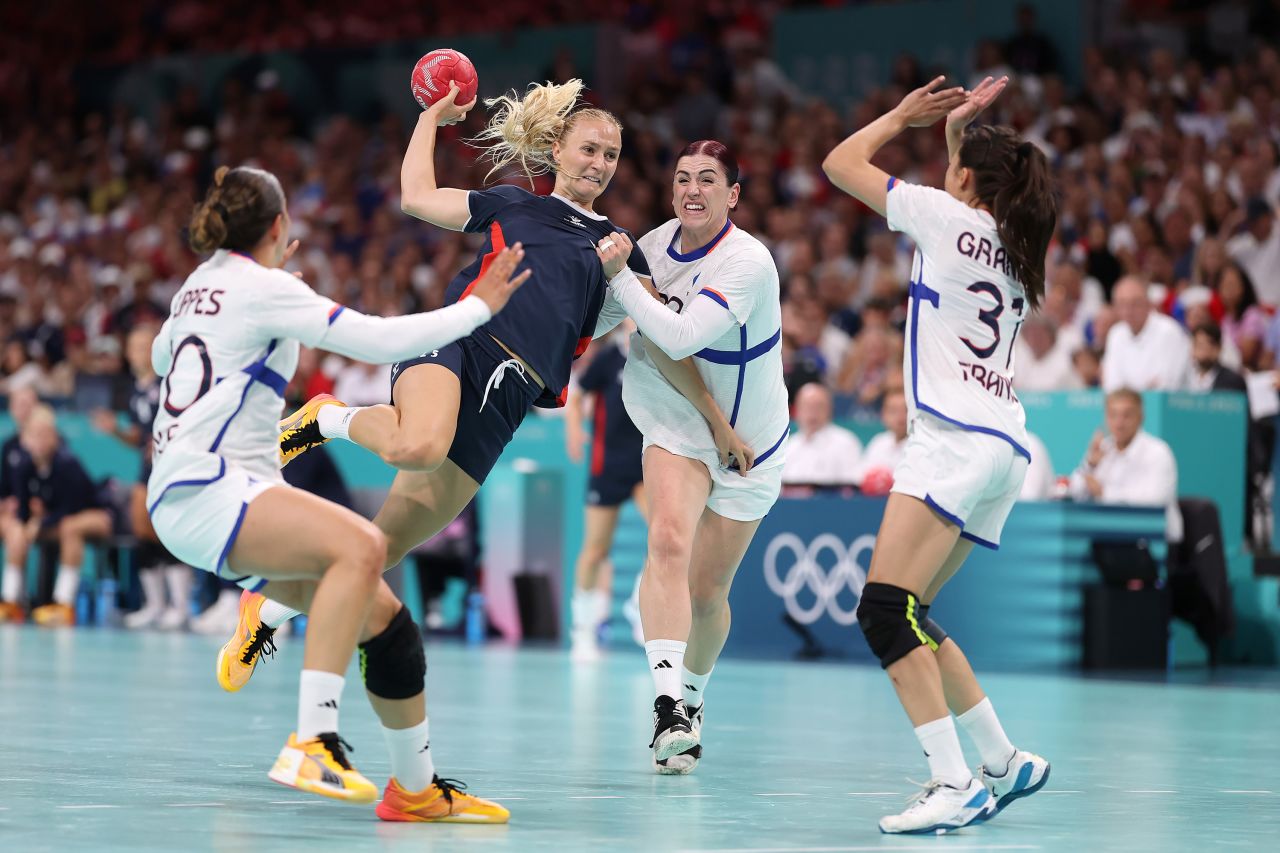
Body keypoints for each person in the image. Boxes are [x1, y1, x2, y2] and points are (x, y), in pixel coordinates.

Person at [235, 79, 658, 676]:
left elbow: (656, 327)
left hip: (511, 395)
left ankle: (266, 612)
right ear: (557, 150)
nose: (599, 163)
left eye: (611, 155)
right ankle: (326, 416)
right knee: (418, 444)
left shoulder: (619, 248)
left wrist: (620, 276)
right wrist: (431, 117)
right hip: (460, 338)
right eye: (589, 148)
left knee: (379, 547)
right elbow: (415, 196)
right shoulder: (516, 203)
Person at [146, 164, 521, 818]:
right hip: (215, 488)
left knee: (389, 628)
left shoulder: (197, 286)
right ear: (279, 227)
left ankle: (417, 788)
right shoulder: (264, 289)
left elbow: (160, 358)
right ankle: (311, 738)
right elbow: (377, 338)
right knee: (362, 544)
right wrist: (477, 309)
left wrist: (266, 305)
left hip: (190, 494)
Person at [822, 75, 1055, 833]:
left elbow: (838, 164)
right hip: (1004, 445)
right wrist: (958, 140)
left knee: (884, 612)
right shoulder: (1018, 249)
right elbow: (967, 191)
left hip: (951, 440)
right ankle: (1001, 758)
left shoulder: (939, 215)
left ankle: (952, 781)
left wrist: (899, 115)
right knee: (914, 610)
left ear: (960, 181)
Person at [594, 139, 789, 775]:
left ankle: (694, 699)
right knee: (668, 542)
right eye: (682, 179)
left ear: (733, 195)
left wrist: (620, 275)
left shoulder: (748, 261)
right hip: (677, 416)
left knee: (709, 593)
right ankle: (667, 705)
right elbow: (609, 326)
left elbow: (678, 332)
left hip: (752, 437)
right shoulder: (649, 247)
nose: (692, 190)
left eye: (708, 180)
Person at [91, 325, 194, 631]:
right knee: (141, 527)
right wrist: (116, 431)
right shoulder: (137, 388)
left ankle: (180, 606)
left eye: (142, 345)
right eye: (132, 346)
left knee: (168, 530)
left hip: (172, 466)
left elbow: (186, 420)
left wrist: (163, 441)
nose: (136, 352)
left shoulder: (169, 384)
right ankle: (156, 605)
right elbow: (138, 436)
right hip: (147, 469)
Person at [564, 328, 648, 661]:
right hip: (607, 466)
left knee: (667, 540)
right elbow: (577, 396)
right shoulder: (607, 359)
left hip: (647, 464)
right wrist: (574, 428)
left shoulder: (658, 356)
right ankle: (582, 630)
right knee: (595, 550)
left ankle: (639, 605)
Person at [3, 404, 112, 626]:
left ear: (54, 437)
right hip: (53, 523)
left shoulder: (67, 463)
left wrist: (39, 522)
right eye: (34, 434)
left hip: (95, 516)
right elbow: (24, 508)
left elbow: (69, 509)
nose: (39, 440)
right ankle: (11, 602)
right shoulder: (23, 466)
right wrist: (27, 524)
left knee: (70, 527)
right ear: (25, 438)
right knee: (15, 530)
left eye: (45, 434)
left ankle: (64, 604)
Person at [1069, 389, 1181, 542]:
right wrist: (1089, 465)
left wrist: (1104, 493)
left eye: (1126, 416)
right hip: (1110, 537)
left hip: (1154, 541)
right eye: (1113, 415)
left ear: (1140, 417)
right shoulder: (1104, 449)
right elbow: (1074, 493)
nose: (1119, 423)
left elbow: (1155, 501)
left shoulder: (1158, 452)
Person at [1101, 275, 1190, 391]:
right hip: (1128, 406)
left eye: (1135, 303)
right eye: (1122, 304)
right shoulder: (1116, 333)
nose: (1128, 310)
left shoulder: (1169, 331)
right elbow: (1112, 385)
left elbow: (1166, 385)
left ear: (1148, 303)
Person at [0, 386, 38, 622]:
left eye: (28, 404)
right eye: (18, 404)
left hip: (39, 517)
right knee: (12, 528)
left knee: (16, 533)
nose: (23, 410)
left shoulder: (51, 442)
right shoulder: (9, 446)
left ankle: (11, 600)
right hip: (12, 516)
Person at [781, 382, 863, 490]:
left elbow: (851, 487)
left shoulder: (846, 442)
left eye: (819, 406)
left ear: (829, 409)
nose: (812, 412)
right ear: (796, 411)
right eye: (807, 406)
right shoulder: (788, 446)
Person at [853, 388, 909, 495]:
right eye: (893, 411)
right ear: (884, 415)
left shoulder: (923, 445)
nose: (900, 417)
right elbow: (862, 476)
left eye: (906, 410)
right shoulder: (878, 442)